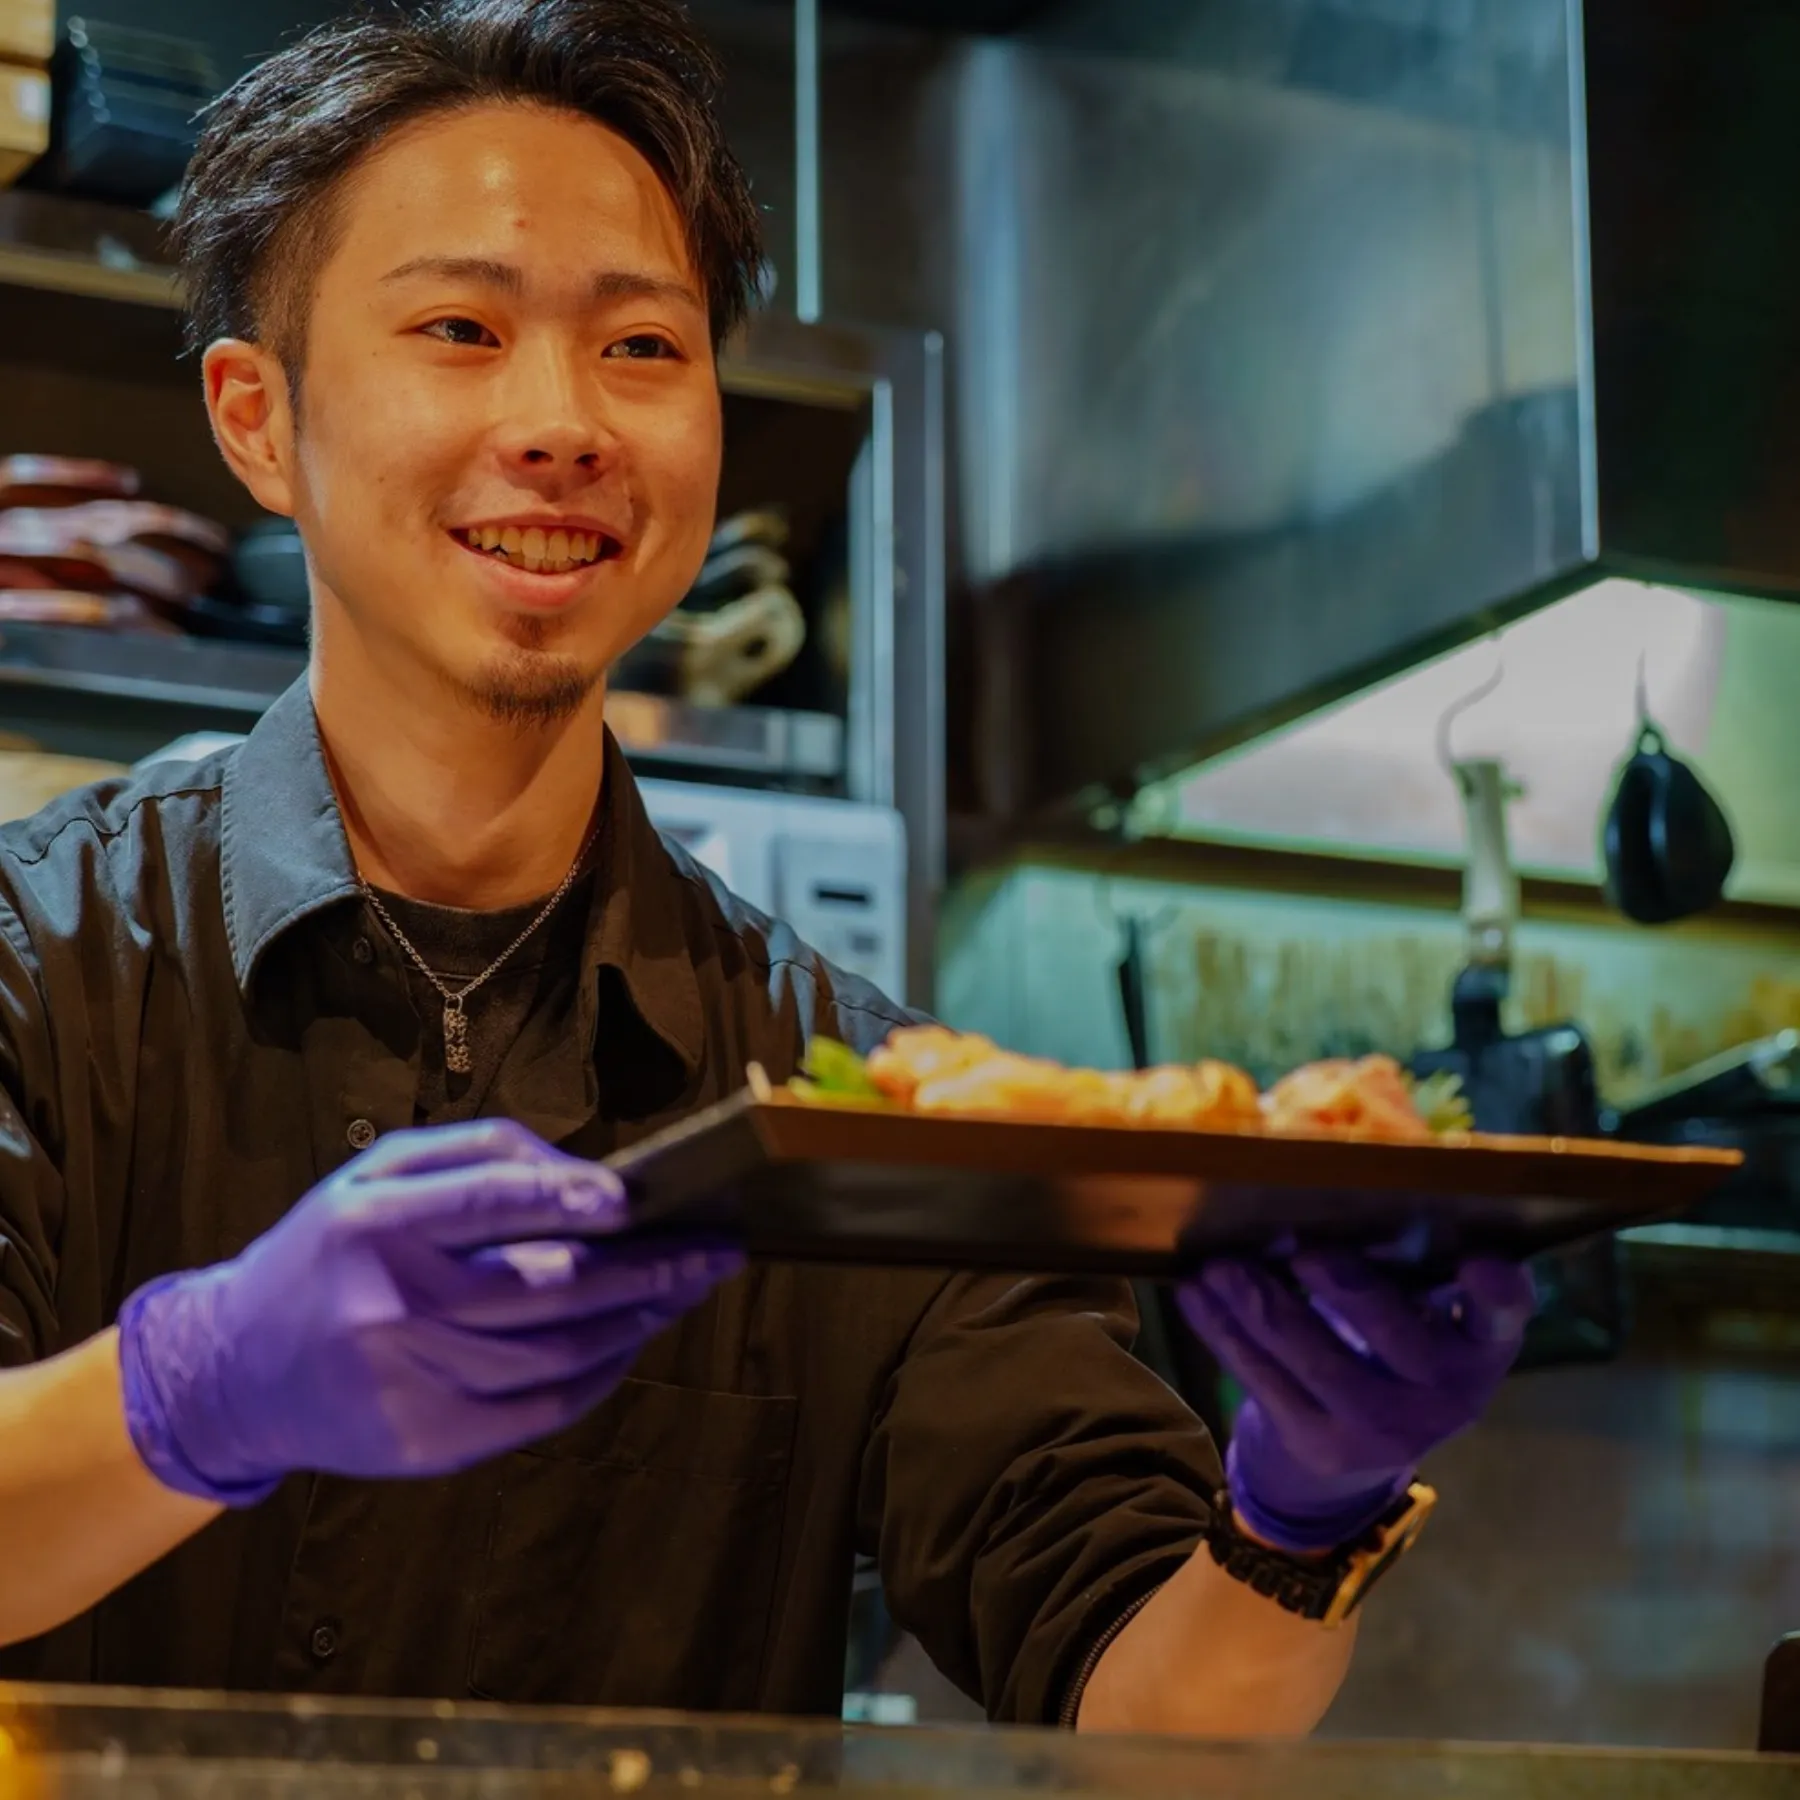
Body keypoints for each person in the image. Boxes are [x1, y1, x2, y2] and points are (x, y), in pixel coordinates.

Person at [0, 0, 1533, 1734]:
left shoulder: (865, 1109)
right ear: (257, 419)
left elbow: (1142, 1709)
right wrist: (188, 1392)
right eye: (459, 327)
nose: (562, 421)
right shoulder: (32, 963)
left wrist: (1296, 1519)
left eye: (641, 349)